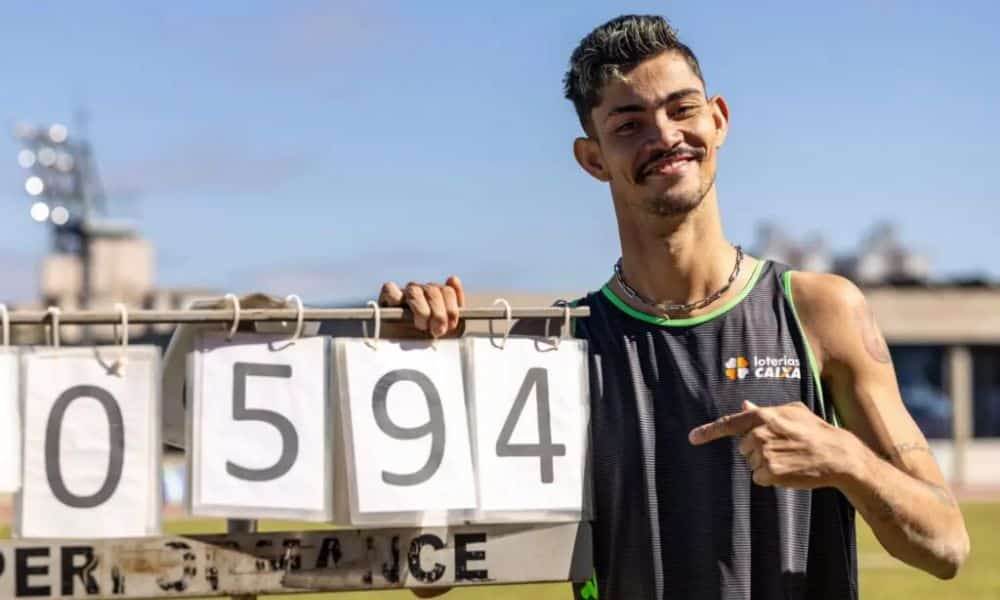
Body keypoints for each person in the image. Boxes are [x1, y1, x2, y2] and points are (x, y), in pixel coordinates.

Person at [380, 14, 969, 600]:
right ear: (592, 159)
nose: (664, 137)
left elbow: (946, 547)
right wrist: (418, 364)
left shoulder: (821, 309)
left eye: (682, 109)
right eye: (629, 125)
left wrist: (848, 460)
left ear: (718, 120)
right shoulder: (559, 347)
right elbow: (433, 575)